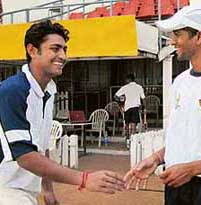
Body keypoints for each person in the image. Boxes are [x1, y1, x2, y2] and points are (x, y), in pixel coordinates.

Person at [124, 5, 201, 205]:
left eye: (178, 34)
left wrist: (193, 169)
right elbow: (187, 138)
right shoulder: (180, 82)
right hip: (176, 186)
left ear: (199, 37)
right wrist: (156, 158)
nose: (172, 41)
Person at [0, 20, 125, 205]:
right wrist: (84, 179)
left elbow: (41, 148)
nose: (63, 56)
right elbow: (25, 156)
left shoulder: (48, 91)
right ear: (32, 50)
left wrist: (47, 189)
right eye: (55, 49)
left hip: (24, 191)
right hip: (6, 190)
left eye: (64, 49)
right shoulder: (13, 90)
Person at [114, 74, 145, 148]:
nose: (126, 81)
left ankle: (128, 141)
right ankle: (133, 141)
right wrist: (144, 107)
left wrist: (121, 101)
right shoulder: (139, 87)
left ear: (128, 79)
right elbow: (143, 98)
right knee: (134, 126)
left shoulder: (125, 87)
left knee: (127, 125)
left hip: (127, 108)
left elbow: (115, 96)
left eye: (126, 79)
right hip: (135, 108)